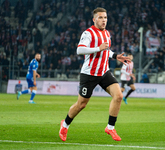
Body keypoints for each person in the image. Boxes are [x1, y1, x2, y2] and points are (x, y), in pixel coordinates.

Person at [59, 7, 131, 142]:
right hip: (89, 74)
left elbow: (106, 51)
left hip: (104, 71)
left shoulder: (107, 33)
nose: (104, 20)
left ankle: (110, 127)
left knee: (119, 96)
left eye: (105, 17)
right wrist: (98, 48)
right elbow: (79, 50)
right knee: (81, 105)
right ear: (94, 19)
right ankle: (65, 124)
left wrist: (115, 56)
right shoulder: (88, 33)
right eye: (100, 17)